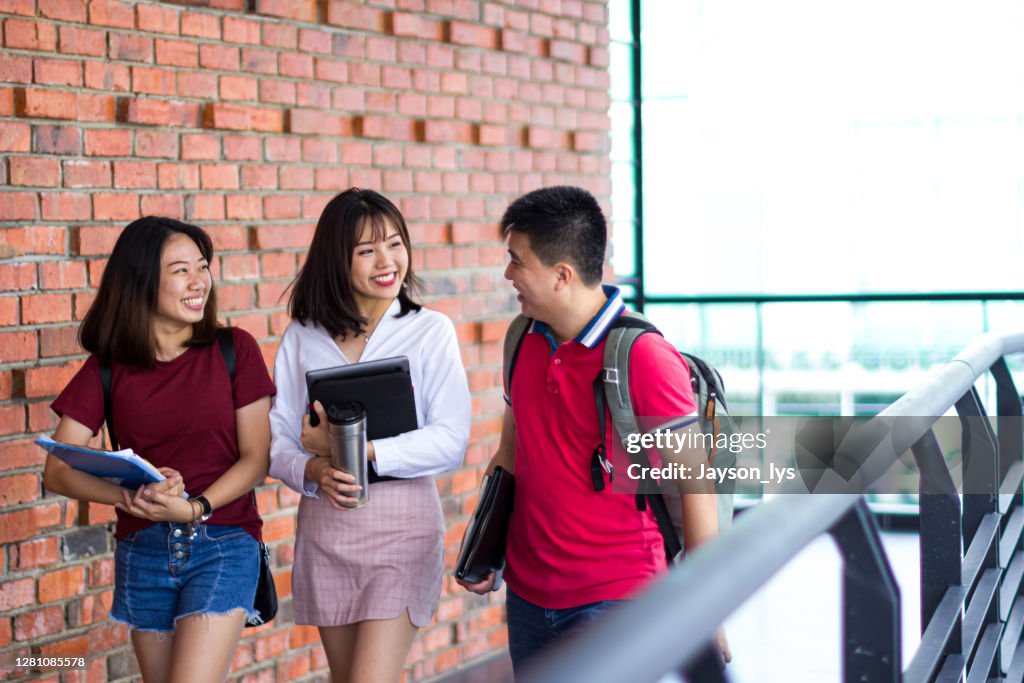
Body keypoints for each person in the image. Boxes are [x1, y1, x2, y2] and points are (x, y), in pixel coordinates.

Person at [456, 186, 727, 675]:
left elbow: (697, 487)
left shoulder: (645, 358)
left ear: (562, 275)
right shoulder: (521, 338)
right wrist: (485, 549)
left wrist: (706, 609)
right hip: (529, 596)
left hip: (618, 598)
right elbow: (510, 456)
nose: (508, 274)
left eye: (517, 261)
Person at [42, 216, 276, 683]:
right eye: (181, 270)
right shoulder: (107, 368)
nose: (199, 281)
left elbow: (257, 459)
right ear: (143, 280)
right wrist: (131, 498)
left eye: (202, 266)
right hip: (142, 550)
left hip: (222, 541)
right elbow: (58, 470)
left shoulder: (235, 350)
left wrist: (193, 507)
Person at [269, 188, 471, 683]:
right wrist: (315, 467)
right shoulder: (303, 336)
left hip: (403, 529)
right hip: (327, 527)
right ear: (337, 260)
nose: (388, 261)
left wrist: (357, 450)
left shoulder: (430, 330)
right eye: (367, 250)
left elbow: (451, 439)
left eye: (395, 243)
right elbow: (276, 444)